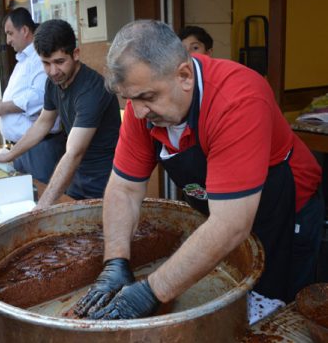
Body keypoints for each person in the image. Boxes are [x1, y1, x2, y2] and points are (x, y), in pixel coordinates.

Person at [74, 20, 324, 321]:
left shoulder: (238, 99)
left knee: (279, 317)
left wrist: (149, 293)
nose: (138, 112)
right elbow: (124, 188)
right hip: (225, 212)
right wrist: (115, 262)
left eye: (147, 98)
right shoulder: (143, 108)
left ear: (184, 76)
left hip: (284, 210)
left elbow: (230, 225)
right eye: (129, 99)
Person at [0, 19, 121, 209]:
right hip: (76, 177)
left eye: (59, 62)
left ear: (75, 54)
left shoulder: (92, 89)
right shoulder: (53, 83)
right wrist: (9, 155)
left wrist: (41, 207)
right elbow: (43, 123)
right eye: (46, 63)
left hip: (104, 181)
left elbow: (74, 152)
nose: (53, 71)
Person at [0, 8, 64, 184]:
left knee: (42, 193)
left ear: (25, 30)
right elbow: (24, 95)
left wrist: (3, 107)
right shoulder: (23, 59)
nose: (8, 40)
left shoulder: (40, 57)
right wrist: (0, 103)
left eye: (10, 33)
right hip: (23, 148)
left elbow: (40, 98)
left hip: (40, 148)